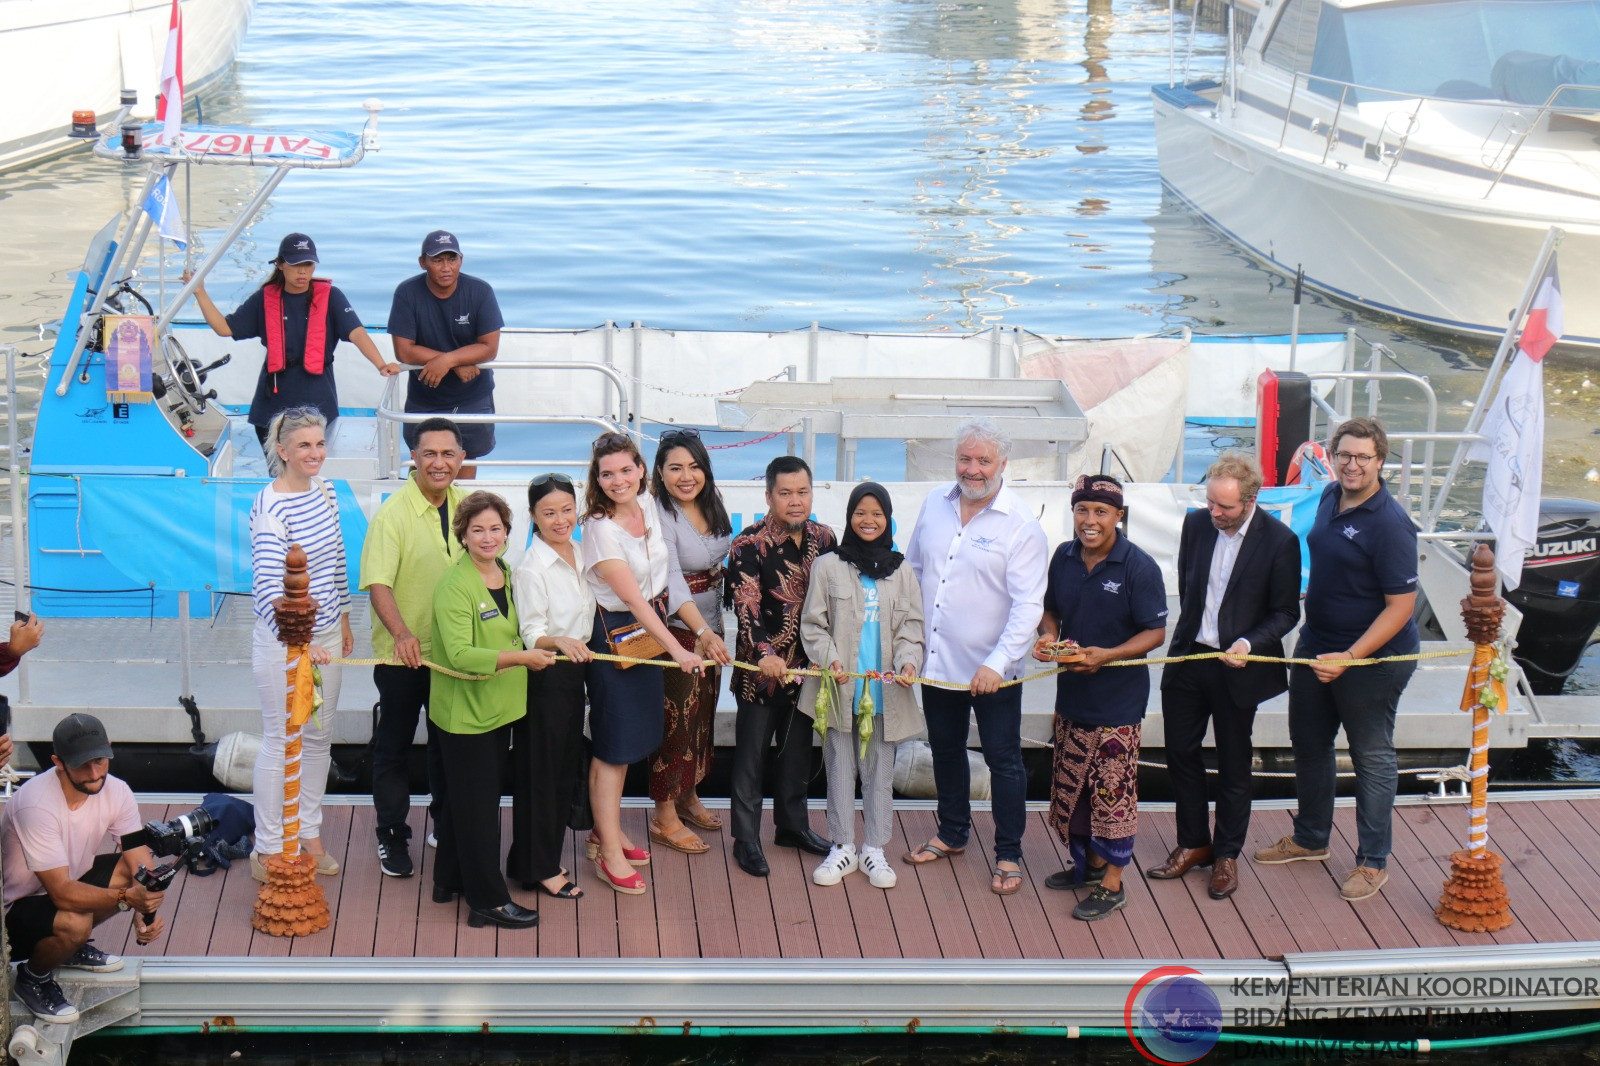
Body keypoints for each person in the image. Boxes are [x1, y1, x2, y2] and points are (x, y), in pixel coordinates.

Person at [1255, 417, 1419, 903]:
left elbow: (1401, 607)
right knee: (1308, 742)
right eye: (1344, 455)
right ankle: (1310, 838)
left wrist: (1350, 657)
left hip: (1372, 659)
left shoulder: (1390, 525)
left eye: (1362, 457)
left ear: (1380, 462)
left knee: (1371, 756)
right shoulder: (1329, 496)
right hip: (1317, 643)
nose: (1351, 464)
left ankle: (1373, 861)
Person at [902, 418, 1046, 896]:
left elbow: (1029, 605)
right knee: (946, 751)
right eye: (966, 458)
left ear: (1003, 464)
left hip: (993, 672)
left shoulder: (1021, 524)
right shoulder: (933, 504)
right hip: (937, 664)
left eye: (984, 460)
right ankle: (953, 833)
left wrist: (997, 663)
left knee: (1004, 761)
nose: (973, 468)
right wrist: (910, 644)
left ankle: (1008, 853)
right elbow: (915, 570)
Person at [580, 432, 725, 895]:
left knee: (637, 739)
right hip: (619, 635)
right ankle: (609, 851)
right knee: (614, 746)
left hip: (648, 632)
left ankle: (610, 830)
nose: (618, 480)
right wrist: (680, 648)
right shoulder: (600, 527)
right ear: (596, 479)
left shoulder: (647, 507)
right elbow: (635, 601)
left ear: (641, 470)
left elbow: (665, 581)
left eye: (626, 470)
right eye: (608, 474)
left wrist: (689, 634)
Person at [1151, 453, 1301, 900]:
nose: (1215, 513)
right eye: (1211, 503)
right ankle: (1194, 842)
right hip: (1190, 657)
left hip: (1239, 666)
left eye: (1225, 508)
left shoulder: (1280, 541)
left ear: (1251, 500)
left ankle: (1227, 854)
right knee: (1180, 751)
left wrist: (1248, 644)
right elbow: (1190, 586)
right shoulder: (1196, 526)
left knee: (1235, 761)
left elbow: (1286, 612)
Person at [1034, 475, 1167, 921]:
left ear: (1119, 516)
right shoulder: (1063, 556)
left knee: (1114, 794)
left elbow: (1155, 631)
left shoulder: (1139, 566)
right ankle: (1089, 867)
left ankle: (1113, 883)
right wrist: (1048, 637)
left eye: (1101, 512)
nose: (1089, 521)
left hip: (1118, 703)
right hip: (1072, 695)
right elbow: (1050, 610)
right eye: (1082, 510)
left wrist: (1108, 656)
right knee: (1073, 791)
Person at [429, 492, 554, 929]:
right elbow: (461, 654)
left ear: (507, 532)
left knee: (463, 803)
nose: (488, 537)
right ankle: (488, 900)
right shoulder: (454, 585)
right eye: (477, 529)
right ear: (462, 535)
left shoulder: (501, 571)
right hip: (465, 714)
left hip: (497, 708)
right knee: (479, 811)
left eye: (496, 528)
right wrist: (523, 659)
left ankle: (448, 880)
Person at [799, 482, 924, 890]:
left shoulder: (902, 569)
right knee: (838, 766)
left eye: (877, 514)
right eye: (860, 513)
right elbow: (812, 625)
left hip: (885, 692)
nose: (868, 521)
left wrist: (909, 661)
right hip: (839, 687)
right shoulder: (828, 565)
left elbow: (912, 628)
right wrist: (829, 657)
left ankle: (874, 848)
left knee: (879, 771)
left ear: (888, 519)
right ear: (849, 517)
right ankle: (842, 846)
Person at [1, 714, 166, 1022]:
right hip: (14, 913)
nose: (94, 774)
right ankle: (33, 977)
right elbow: (63, 894)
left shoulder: (117, 791)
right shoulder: (35, 805)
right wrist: (129, 898)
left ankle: (66, 949)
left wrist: (146, 907)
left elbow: (137, 855)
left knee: (131, 873)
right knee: (76, 923)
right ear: (58, 762)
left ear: (110, 750)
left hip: (63, 887)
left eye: (100, 761)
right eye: (81, 764)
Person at [358, 417, 468, 878]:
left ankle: (444, 824)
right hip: (402, 657)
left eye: (448, 454)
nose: (439, 463)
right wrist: (403, 634)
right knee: (394, 748)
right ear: (414, 459)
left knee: (447, 745)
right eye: (429, 454)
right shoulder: (392, 515)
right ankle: (391, 834)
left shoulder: (468, 506)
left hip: (452, 655)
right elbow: (378, 583)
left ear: (461, 459)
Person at [247, 407, 351, 883]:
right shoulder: (270, 508)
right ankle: (268, 847)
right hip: (284, 643)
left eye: (320, 444)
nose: (315, 453)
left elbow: (336, 560)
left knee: (317, 738)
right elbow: (269, 587)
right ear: (282, 451)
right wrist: (302, 646)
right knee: (282, 740)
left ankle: (307, 830)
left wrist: (344, 617)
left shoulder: (326, 490)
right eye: (304, 445)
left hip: (326, 635)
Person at [725, 455, 837, 878]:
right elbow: (746, 605)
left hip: (809, 669)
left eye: (803, 492)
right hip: (762, 671)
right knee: (751, 759)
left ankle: (792, 827)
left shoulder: (825, 539)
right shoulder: (747, 544)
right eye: (785, 493)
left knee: (796, 755)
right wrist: (764, 654)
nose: (795, 501)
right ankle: (746, 838)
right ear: (768, 495)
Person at [188, 233, 400, 450]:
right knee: (279, 471)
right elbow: (225, 328)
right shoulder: (264, 299)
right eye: (295, 264)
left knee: (310, 464)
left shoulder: (332, 297)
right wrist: (199, 291)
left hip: (318, 401)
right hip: (272, 404)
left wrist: (381, 364)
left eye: (308, 264)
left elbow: (357, 333)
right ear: (280, 265)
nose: (302, 271)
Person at [507, 473, 594, 900]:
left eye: (566, 509)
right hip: (546, 673)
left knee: (561, 771)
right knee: (541, 774)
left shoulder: (581, 550)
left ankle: (532, 858)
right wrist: (558, 640)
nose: (560, 520)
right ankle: (538, 866)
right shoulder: (530, 568)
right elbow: (530, 633)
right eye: (549, 513)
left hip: (576, 670)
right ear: (533, 518)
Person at [648, 429, 734, 855]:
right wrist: (701, 633)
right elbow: (673, 581)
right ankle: (663, 815)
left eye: (694, 466)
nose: (686, 476)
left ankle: (688, 795)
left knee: (702, 717)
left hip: (711, 624)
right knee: (675, 724)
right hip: (677, 630)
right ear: (659, 474)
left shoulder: (712, 504)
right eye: (675, 467)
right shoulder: (658, 513)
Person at [388, 230, 505, 473]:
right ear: (423, 262)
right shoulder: (407, 293)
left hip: (472, 396)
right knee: (422, 464)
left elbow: (490, 347)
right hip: (425, 397)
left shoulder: (480, 291)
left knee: (465, 462)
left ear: (461, 260)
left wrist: (449, 360)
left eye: (452, 259)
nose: (446, 267)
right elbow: (403, 351)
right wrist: (451, 362)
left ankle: (461, 513)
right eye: (437, 260)